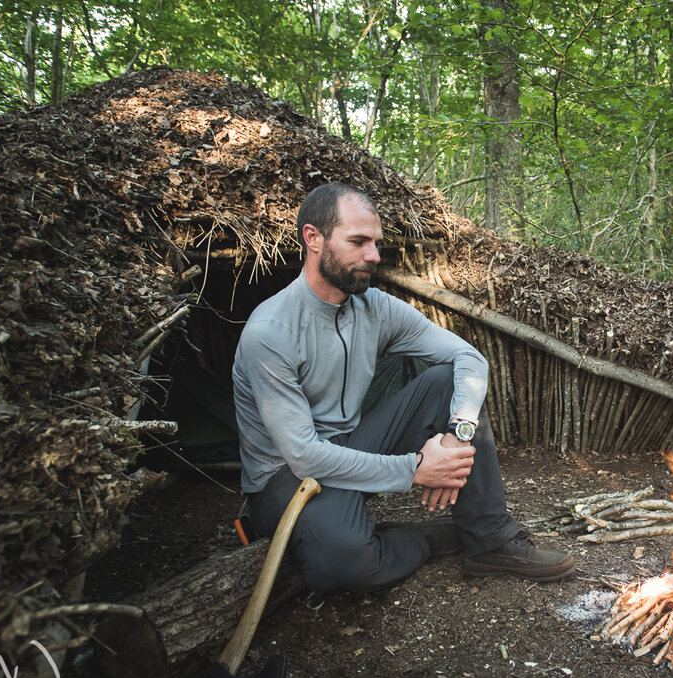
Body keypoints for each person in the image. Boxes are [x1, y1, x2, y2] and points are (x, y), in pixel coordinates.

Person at [232, 183, 574, 592]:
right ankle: (431, 537)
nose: (374, 256)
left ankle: (491, 540)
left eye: (375, 243)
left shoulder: (375, 309)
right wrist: (414, 468)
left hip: (352, 444)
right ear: (314, 239)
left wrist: (456, 437)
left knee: (448, 380)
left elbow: (470, 360)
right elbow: (304, 456)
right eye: (358, 242)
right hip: (283, 478)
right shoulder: (271, 331)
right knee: (349, 566)